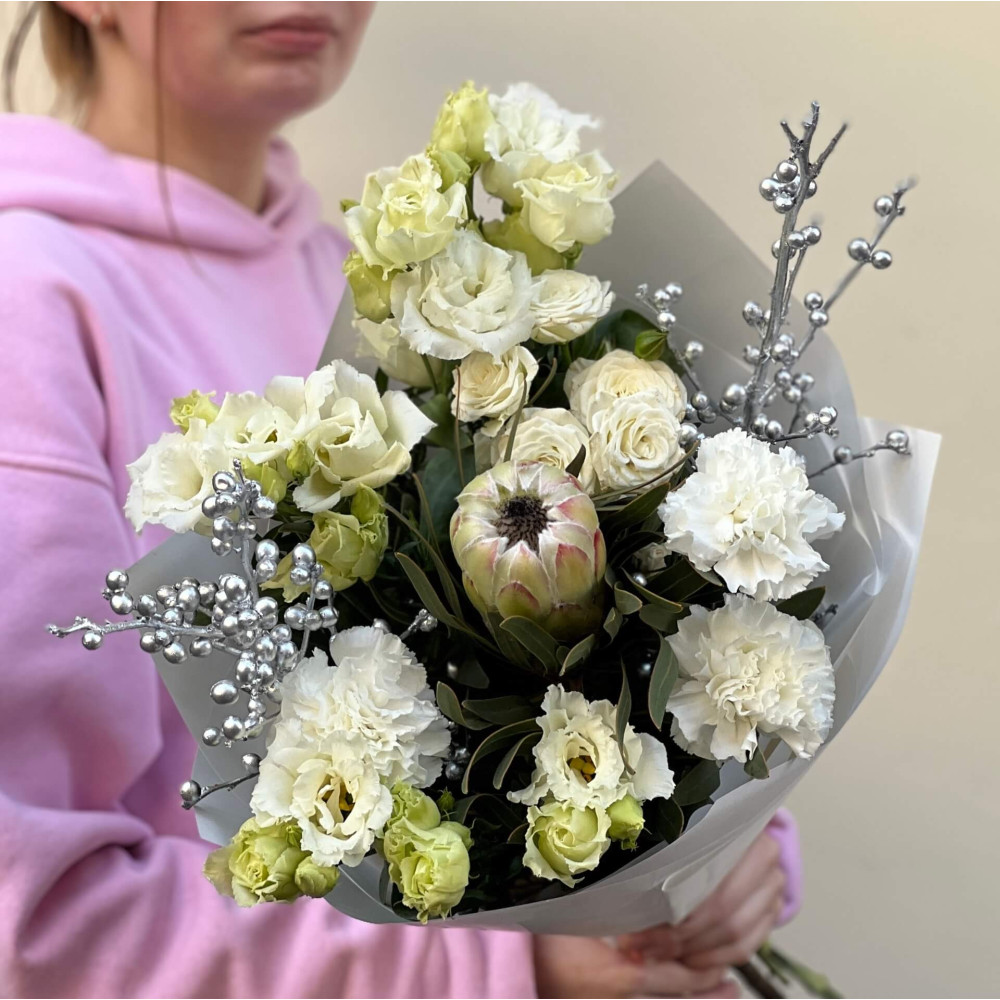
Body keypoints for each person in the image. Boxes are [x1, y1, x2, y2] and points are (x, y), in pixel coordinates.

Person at [0, 3, 800, 996]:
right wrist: (500, 964)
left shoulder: (368, 290)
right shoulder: (28, 307)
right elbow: (32, 915)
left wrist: (704, 850)